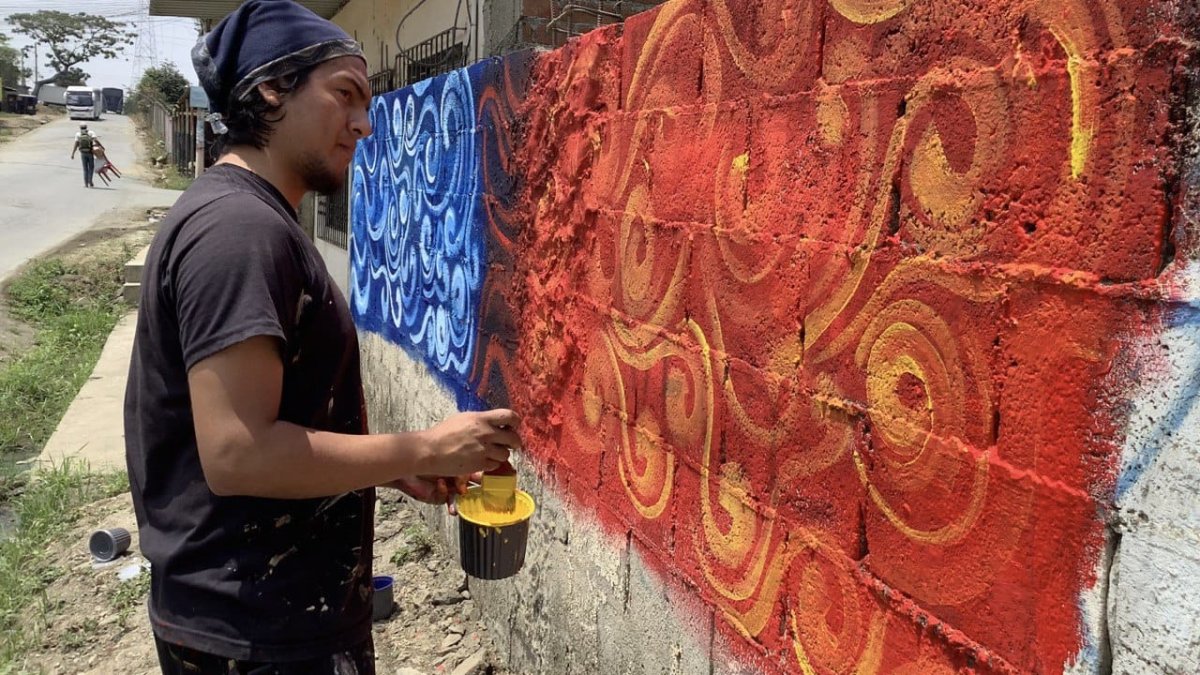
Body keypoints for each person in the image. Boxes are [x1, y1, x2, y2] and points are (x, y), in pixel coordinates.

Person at [123, 2, 522, 673]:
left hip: (262, 616)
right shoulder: (239, 232)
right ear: (271, 88)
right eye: (344, 95)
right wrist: (425, 443)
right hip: (255, 633)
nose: (364, 123)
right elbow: (239, 452)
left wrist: (396, 466)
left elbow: (279, 425)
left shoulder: (249, 219)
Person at [70, 123, 97, 187]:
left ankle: (86, 183)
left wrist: (73, 153)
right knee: (91, 168)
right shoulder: (91, 133)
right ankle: (90, 181)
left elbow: (76, 144)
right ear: (86, 127)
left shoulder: (78, 134)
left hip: (83, 153)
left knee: (85, 169)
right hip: (90, 152)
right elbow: (96, 141)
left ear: (80, 128)